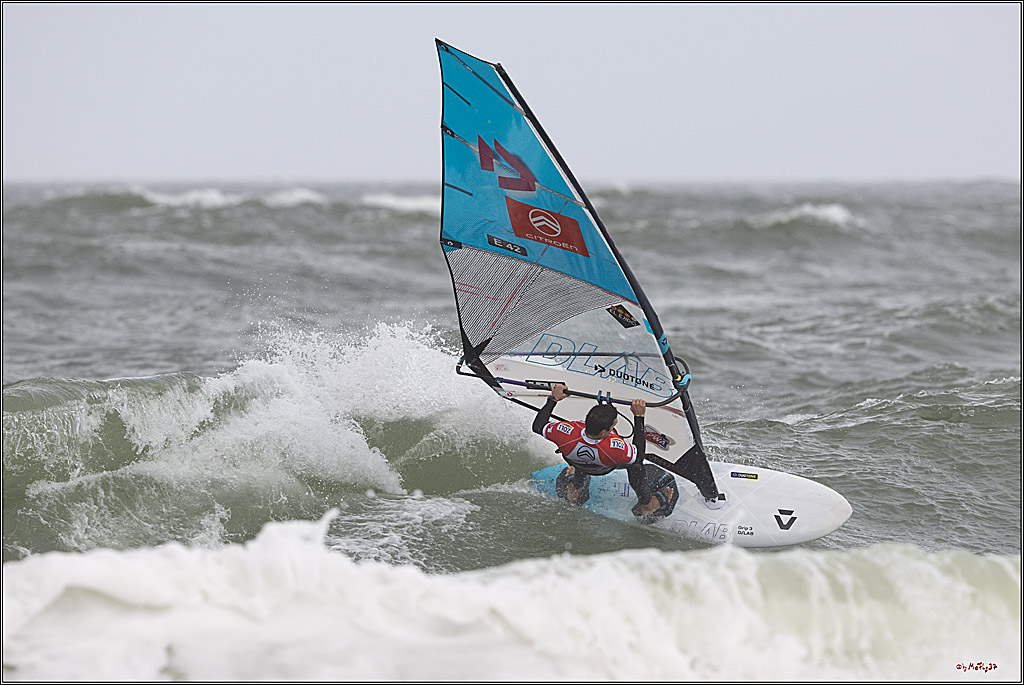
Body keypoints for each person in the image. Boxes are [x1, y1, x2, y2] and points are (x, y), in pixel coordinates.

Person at [532, 383, 677, 521]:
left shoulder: (565, 433)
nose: (615, 424)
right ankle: (647, 503)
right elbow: (638, 456)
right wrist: (639, 417)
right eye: (614, 424)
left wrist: (553, 399)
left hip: (577, 461)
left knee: (581, 454)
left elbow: (538, 426)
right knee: (635, 465)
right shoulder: (614, 448)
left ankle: (575, 488)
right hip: (602, 468)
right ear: (603, 432)